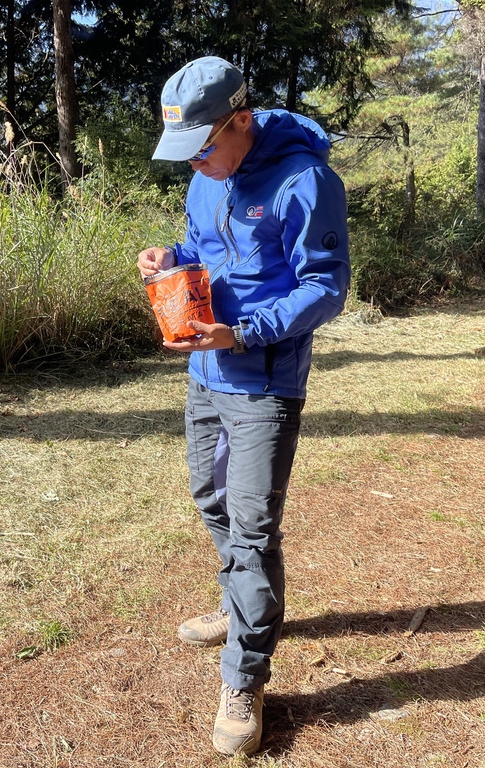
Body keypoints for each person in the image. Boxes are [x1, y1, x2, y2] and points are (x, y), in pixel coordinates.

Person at [137, 56, 350, 756]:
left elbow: (325, 287)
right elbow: (201, 246)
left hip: (264, 383)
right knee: (212, 502)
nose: (195, 166)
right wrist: (167, 256)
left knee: (254, 529)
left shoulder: (305, 180)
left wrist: (246, 332)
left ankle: (246, 677)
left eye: (204, 149)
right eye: (186, 155)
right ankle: (241, 607)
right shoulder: (207, 181)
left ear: (240, 121)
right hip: (205, 370)